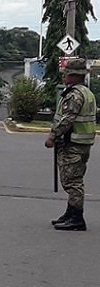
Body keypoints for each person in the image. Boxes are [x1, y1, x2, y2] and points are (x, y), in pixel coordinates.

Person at [45, 58, 96, 231]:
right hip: (82, 142)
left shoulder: (75, 95)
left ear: (76, 76)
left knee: (72, 181)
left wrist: (53, 136)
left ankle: (76, 218)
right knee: (73, 178)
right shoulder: (86, 92)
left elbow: (67, 119)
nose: (64, 77)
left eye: (67, 74)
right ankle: (70, 212)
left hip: (73, 143)